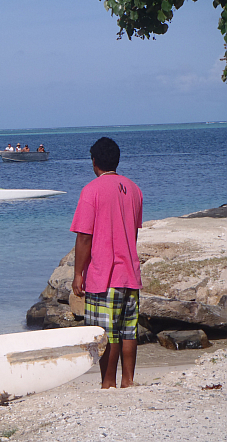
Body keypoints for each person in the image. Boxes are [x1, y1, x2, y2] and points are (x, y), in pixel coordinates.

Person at [71, 137, 143, 389]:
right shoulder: (133, 189)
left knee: (106, 333)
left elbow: (84, 236)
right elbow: (132, 232)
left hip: (105, 275)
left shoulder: (91, 190)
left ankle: (108, 383)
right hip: (130, 273)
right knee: (128, 331)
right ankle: (128, 380)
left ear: (94, 162)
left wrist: (78, 273)